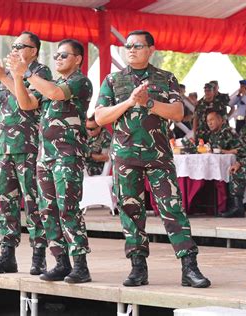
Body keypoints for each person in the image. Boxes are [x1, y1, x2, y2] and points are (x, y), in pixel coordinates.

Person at [95, 30, 210, 288]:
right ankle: (138, 267)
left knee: (172, 208)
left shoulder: (165, 78)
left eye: (138, 45)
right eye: (128, 46)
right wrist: (129, 102)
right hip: (125, 156)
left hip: (158, 155)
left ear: (151, 50)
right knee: (130, 211)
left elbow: (179, 113)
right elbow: (101, 117)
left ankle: (189, 266)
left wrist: (148, 104)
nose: (132, 49)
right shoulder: (113, 80)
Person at [7, 38, 93, 283]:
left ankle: (80, 265)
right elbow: (27, 103)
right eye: (56, 55)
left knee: (69, 209)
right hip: (45, 157)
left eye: (64, 55)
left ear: (77, 59)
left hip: (68, 155)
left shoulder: (79, 81)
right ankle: (60, 262)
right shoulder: (50, 83)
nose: (58, 59)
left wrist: (27, 72)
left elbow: (56, 94)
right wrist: (16, 76)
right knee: (48, 210)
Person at [0, 31, 50, 276]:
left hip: (29, 148)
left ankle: (39, 255)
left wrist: (6, 76)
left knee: (34, 204)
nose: (15, 49)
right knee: (7, 205)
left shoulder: (40, 73)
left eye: (21, 45)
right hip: (5, 149)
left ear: (33, 50)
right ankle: (7, 255)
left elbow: (27, 102)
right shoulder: (6, 76)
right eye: (13, 45)